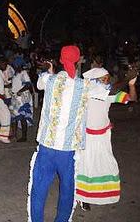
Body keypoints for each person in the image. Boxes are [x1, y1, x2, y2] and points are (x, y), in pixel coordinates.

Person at [27, 45, 109, 222]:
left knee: (39, 190)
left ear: (61, 60)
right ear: (78, 61)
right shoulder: (85, 85)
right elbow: (107, 88)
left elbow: (41, 81)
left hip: (46, 147)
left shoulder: (49, 80)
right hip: (68, 150)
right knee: (67, 191)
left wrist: (49, 69)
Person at [75, 68, 137, 210]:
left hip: (103, 135)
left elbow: (131, 98)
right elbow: (109, 90)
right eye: (104, 78)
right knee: (86, 166)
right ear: (94, 80)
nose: (107, 81)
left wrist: (132, 84)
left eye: (107, 78)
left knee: (105, 164)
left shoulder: (107, 93)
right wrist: (127, 78)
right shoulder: (88, 91)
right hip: (87, 136)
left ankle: (100, 194)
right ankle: (81, 197)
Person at [10, 57, 33, 142]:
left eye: (15, 65)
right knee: (14, 116)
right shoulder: (15, 73)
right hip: (15, 97)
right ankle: (14, 134)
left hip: (22, 97)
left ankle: (24, 136)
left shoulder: (24, 73)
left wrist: (19, 91)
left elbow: (28, 85)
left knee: (22, 117)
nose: (14, 66)